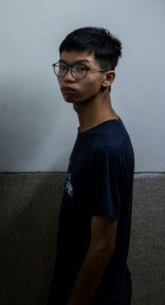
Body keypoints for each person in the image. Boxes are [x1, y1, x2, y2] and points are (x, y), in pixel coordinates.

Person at [47, 27, 135, 305]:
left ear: (107, 78)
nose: (67, 77)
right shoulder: (90, 132)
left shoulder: (106, 149)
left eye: (81, 69)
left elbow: (102, 247)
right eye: (63, 66)